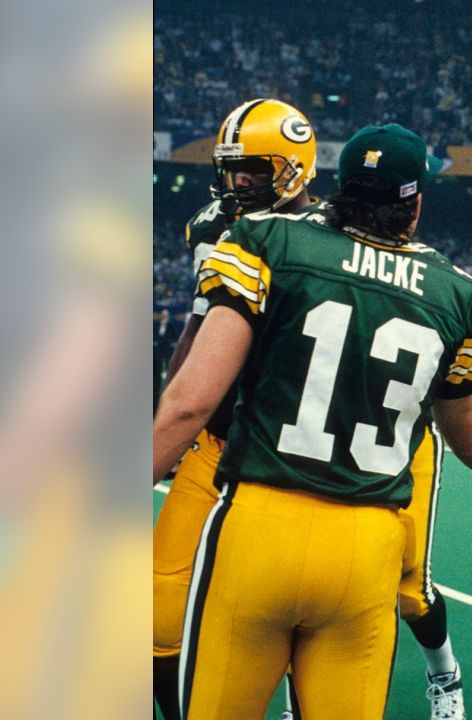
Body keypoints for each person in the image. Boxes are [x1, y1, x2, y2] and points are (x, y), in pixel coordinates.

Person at [152, 123, 472, 720]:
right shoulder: (462, 296)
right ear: (417, 201)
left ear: (336, 186)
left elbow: (191, 402)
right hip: (367, 545)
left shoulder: (264, 240)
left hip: (258, 526)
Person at [152, 97, 320, 719]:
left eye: (253, 168)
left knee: (304, 614)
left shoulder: (330, 237)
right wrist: (170, 422)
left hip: (287, 450)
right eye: (233, 168)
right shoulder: (212, 226)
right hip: (216, 440)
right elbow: (198, 333)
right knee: (158, 608)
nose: (239, 181)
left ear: (294, 165)